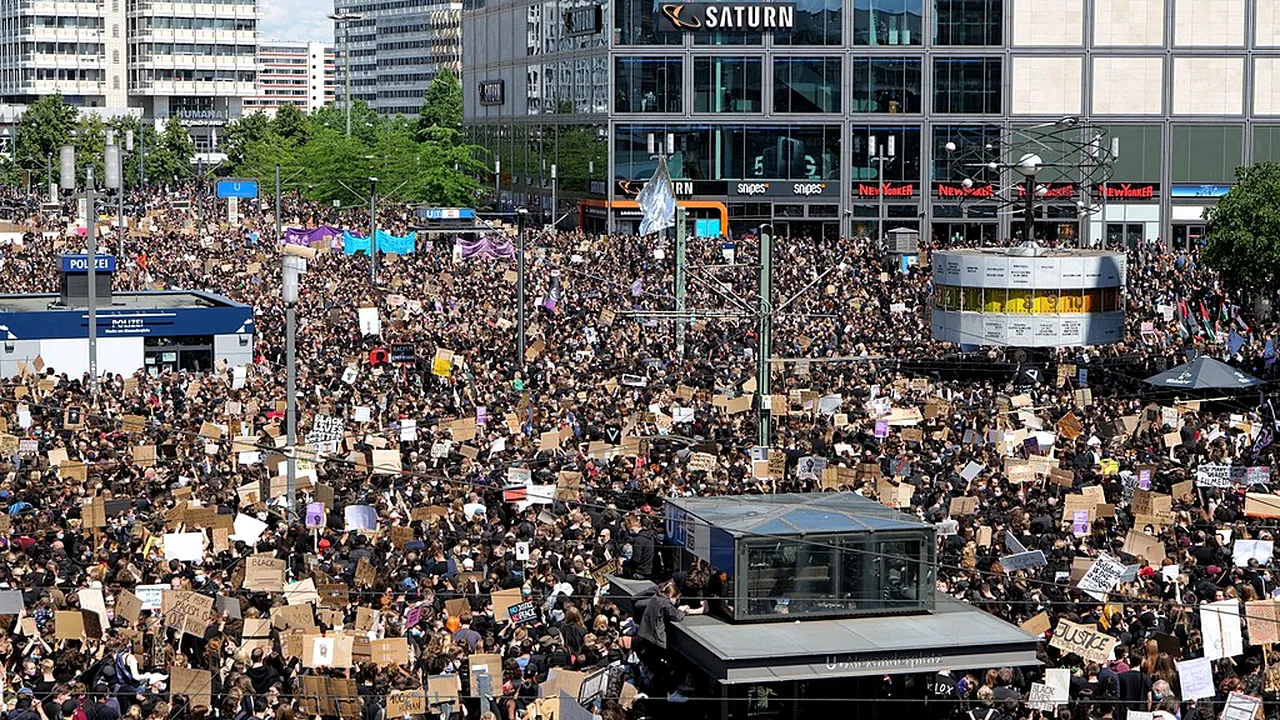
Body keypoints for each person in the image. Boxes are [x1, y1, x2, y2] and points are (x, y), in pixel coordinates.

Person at [635, 581, 703, 702]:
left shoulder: (655, 598)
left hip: (644, 640)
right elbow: (677, 616)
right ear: (671, 596)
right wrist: (682, 610)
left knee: (662, 667)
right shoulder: (665, 604)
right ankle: (672, 692)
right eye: (676, 599)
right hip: (654, 643)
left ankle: (672, 689)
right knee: (668, 667)